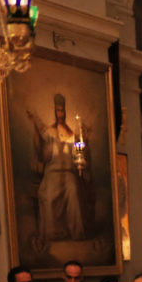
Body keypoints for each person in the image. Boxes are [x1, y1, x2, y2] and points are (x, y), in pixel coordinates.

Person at [27, 93, 92, 245]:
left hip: (68, 174)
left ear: (65, 112)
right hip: (52, 174)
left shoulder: (72, 134)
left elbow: (79, 154)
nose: (60, 114)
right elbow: (42, 154)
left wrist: (82, 152)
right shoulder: (49, 132)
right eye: (57, 111)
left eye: (62, 111)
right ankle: (52, 234)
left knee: (74, 192)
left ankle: (77, 232)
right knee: (48, 197)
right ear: (54, 112)